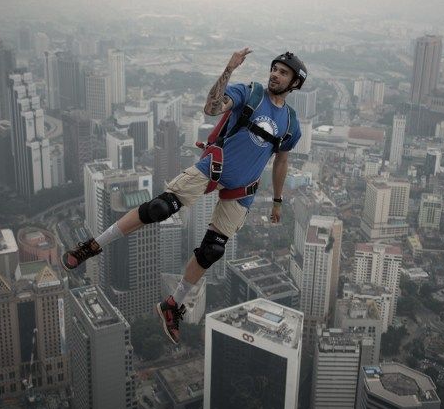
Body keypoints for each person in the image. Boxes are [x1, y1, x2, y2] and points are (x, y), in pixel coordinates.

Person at [62, 48, 306, 343]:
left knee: (212, 250)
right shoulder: (251, 93)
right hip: (213, 168)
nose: (275, 75)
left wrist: (277, 201)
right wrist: (228, 69)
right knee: (159, 208)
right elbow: (213, 108)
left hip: (242, 189)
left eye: (283, 72)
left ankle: (172, 304)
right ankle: (91, 246)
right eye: (274, 69)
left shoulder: (290, 124)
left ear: (294, 83)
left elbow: (281, 161)